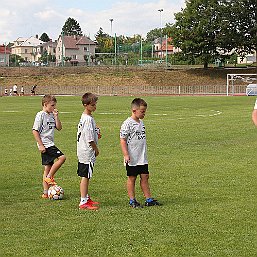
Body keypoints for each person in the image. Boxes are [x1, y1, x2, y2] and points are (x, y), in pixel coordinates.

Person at [120, 98, 160, 208]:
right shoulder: (127, 123)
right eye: (142, 111)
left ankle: (149, 199)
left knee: (145, 176)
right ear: (134, 110)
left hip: (142, 157)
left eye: (144, 111)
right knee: (132, 177)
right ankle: (132, 200)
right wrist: (126, 154)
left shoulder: (141, 122)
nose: (144, 114)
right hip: (132, 158)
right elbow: (123, 140)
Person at [32, 94, 66, 198]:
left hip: (50, 143)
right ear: (45, 104)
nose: (54, 107)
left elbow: (59, 128)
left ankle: (45, 193)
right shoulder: (40, 115)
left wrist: (56, 116)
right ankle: (50, 177)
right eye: (52, 105)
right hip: (46, 144)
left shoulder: (52, 115)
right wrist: (41, 145)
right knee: (62, 158)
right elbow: (35, 131)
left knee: (47, 167)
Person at [77, 92, 101, 210]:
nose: (94, 107)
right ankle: (83, 201)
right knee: (86, 176)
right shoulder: (87, 119)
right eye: (92, 105)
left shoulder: (86, 117)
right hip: (87, 151)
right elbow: (89, 138)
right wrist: (96, 149)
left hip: (82, 149)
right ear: (85, 105)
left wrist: (97, 134)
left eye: (95, 104)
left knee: (86, 175)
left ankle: (86, 197)